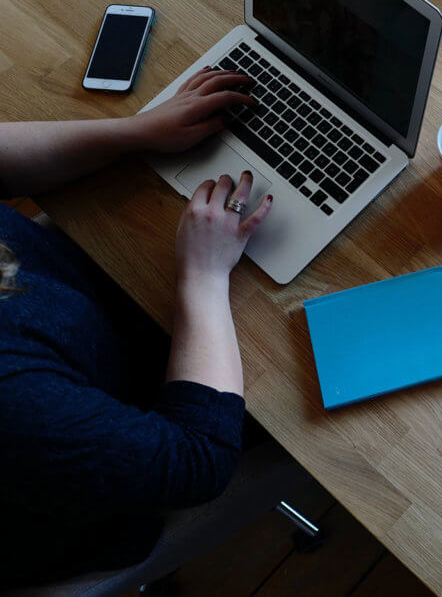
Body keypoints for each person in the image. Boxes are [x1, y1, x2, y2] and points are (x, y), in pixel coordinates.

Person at [0, 67, 272, 584]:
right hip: (122, 472)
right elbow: (198, 458)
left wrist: (135, 131)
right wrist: (204, 276)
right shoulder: (13, 404)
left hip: (86, 311)